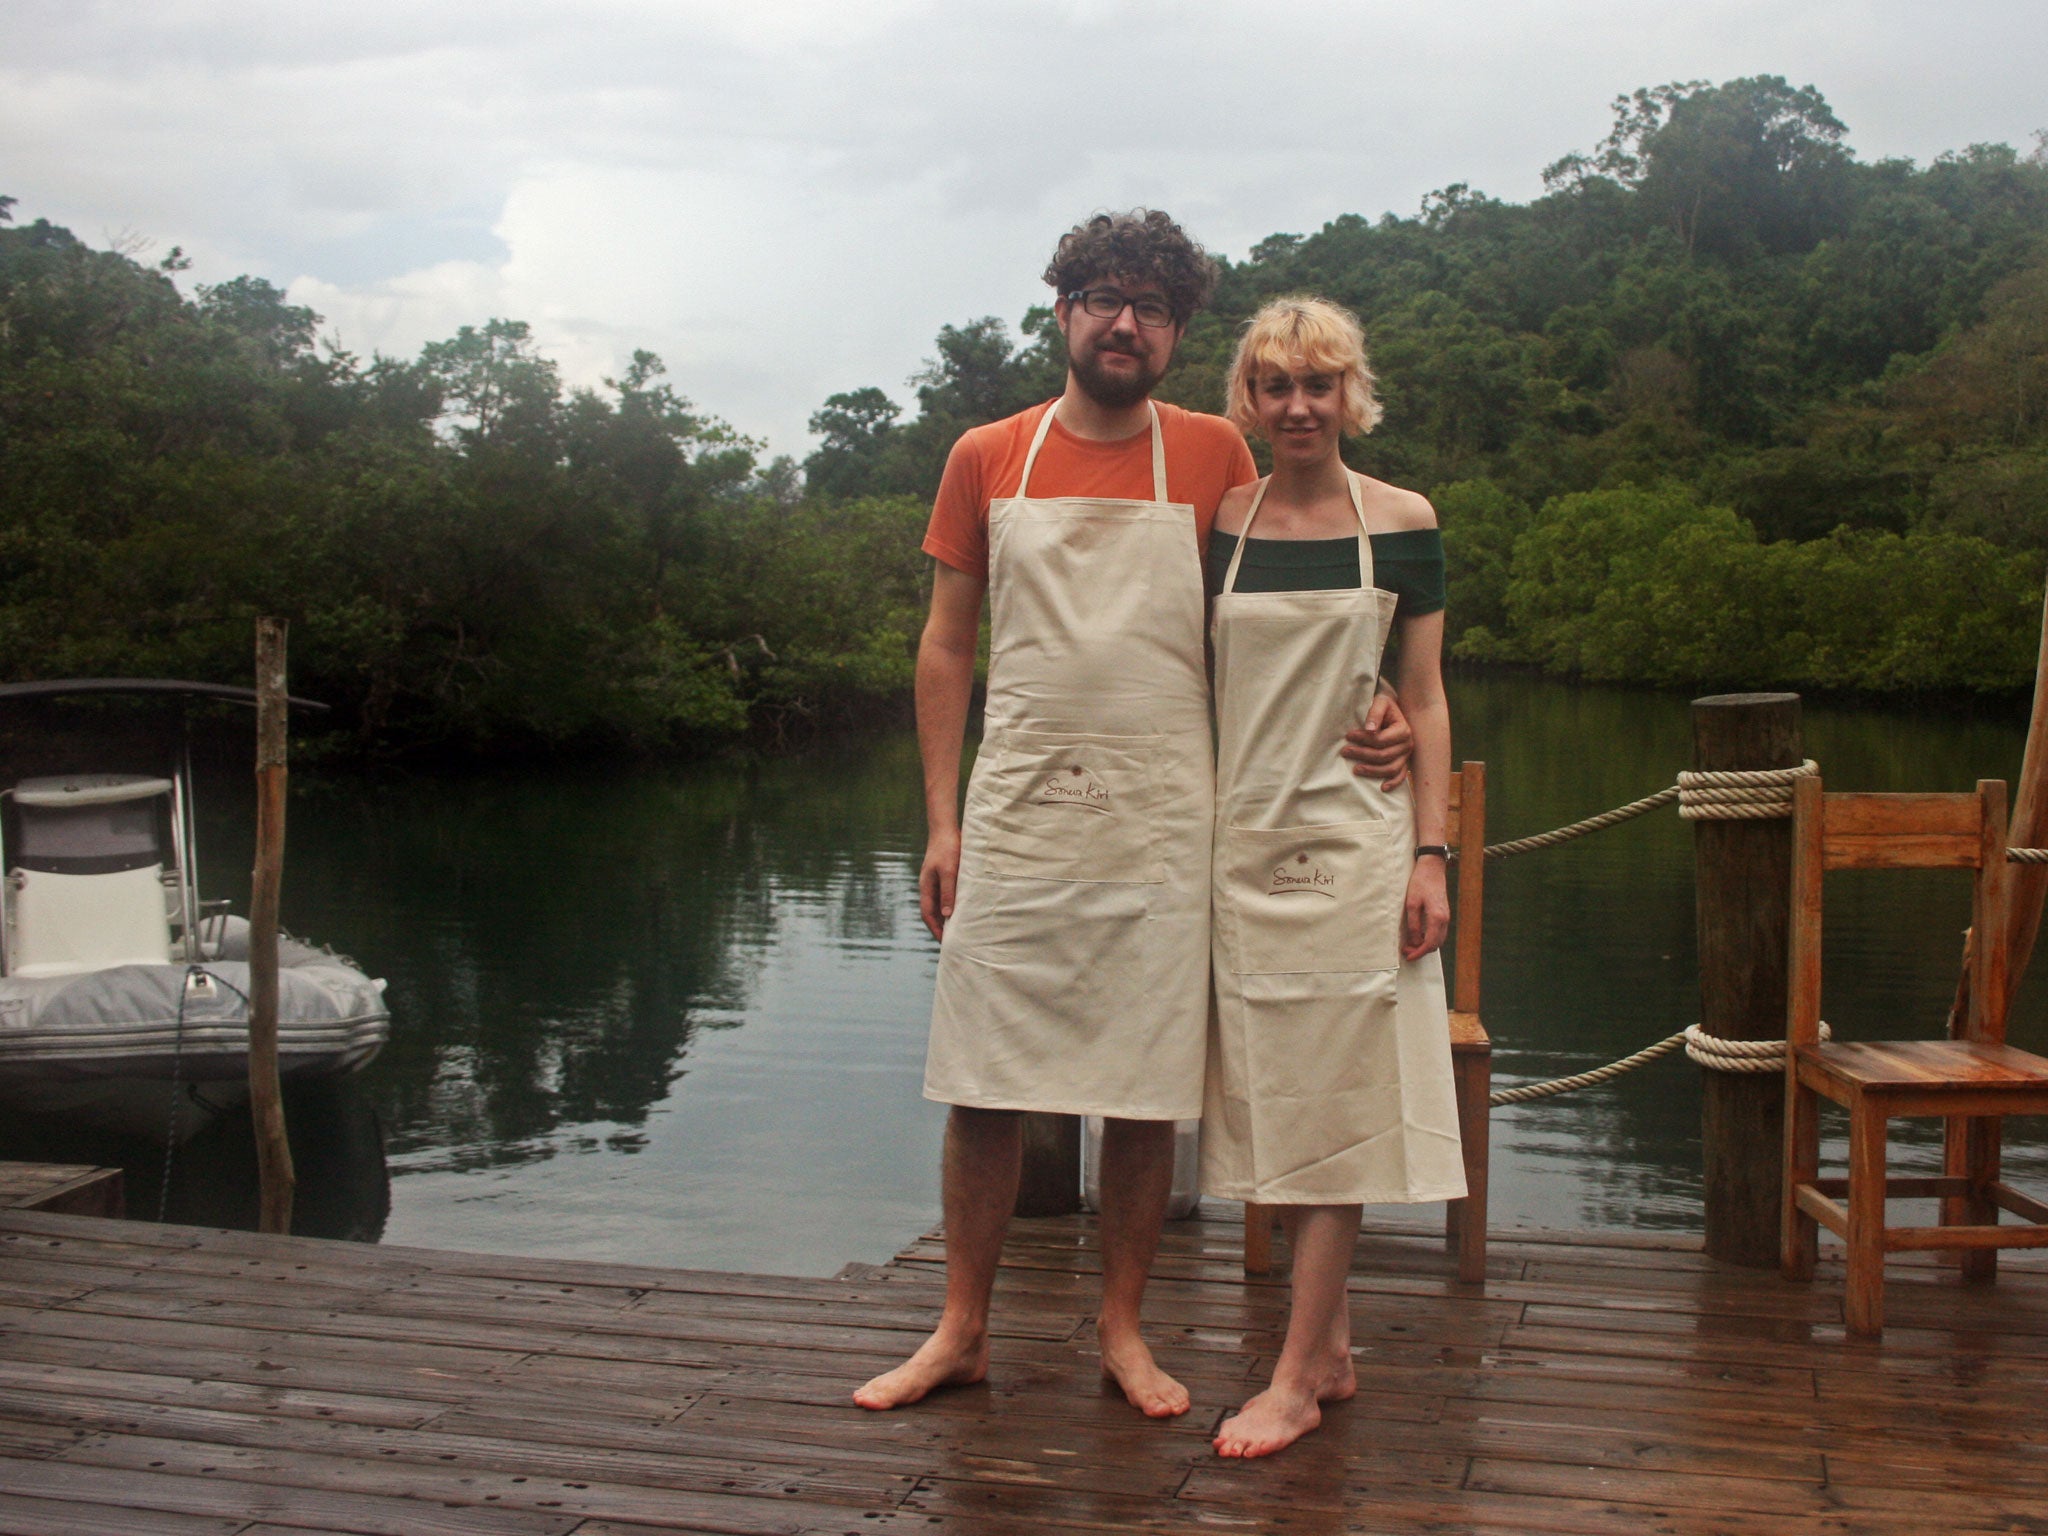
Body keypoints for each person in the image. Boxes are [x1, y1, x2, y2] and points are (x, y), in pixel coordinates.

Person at [855, 214, 1411, 1417]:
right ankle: (959, 1329)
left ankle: (1123, 1330)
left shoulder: (1216, 453)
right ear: (1060, 312)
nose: (1124, 323)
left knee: (1148, 1089)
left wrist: (1388, 710)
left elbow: (1303, 605)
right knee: (984, 1082)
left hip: (1169, 823)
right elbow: (948, 645)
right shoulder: (985, 454)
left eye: (1151, 307)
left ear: (1174, 334)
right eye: (1102, 299)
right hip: (1014, 816)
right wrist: (942, 822)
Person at [1201, 295, 1465, 1458]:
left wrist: (1428, 849)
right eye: (1274, 385)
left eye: (1318, 384)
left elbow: (1427, 692)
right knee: (1275, 1091)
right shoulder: (1218, 522)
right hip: (1240, 843)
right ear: (1247, 400)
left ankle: (1296, 1375)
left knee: (1338, 1105)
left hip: (1359, 850)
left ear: (1350, 393)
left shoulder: (1403, 521)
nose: (1297, 405)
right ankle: (1336, 1345)